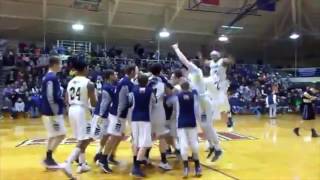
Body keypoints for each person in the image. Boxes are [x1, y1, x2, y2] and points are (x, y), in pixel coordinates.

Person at [172, 43, 222, 162]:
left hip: (204, 102)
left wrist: (176, 49)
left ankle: (218, 148)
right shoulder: (192, 75)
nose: (187, 65)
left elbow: (183, 60)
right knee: (204, 126)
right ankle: (212, 145)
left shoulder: (196, 70)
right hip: (199, 103)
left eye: (189, 64)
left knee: (207, 125)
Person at [61, 57, 97, 179]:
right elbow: (94, 103)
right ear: (86, 68)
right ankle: (68, 162)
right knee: (86, 139)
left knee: (81, 138)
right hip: (82, 111)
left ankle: (82, 164)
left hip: (72, 110)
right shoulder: (89, 83)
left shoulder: (70, 82)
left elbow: (66, 99)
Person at [166, 81, 201, 178]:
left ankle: (186, 167)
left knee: (183, 145)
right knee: (194, 144)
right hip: (192, 122)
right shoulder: (194, 96)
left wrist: (172, 91)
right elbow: (197, 110)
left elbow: (167, 103)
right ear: (189, 87)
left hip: (181, 124)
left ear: (181, 87)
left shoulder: (176, 97)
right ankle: (197, 166)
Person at [105, 65, 136, 166]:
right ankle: (103, 158)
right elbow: (123, 101)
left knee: (119, 136)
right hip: (117, 114)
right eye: (136, 70)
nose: (137, 72)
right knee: (114, 136)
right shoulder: (125, 83)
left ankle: (111, 156)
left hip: (121, 114)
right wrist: (118, 115)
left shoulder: (126, 82)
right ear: (132, 71)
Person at [40, 56, 66, 169]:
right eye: (60, 64)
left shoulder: (47, 76)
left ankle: (48, 158)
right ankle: (49, 158)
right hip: (52, 112)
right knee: (61, 134)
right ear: (55, 64)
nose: (61, 66)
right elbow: (51, 97)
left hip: (48, 111)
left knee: (52, 135)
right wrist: (56, 111)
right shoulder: (51, 78)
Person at [129, 74, 156, 177]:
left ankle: (135, 163)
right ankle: (136, 167)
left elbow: (130, 102)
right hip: (145, 118)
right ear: (147, 82)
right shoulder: (150, 91)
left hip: (134, 118)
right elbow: (155, 102)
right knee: (144, 144)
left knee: (135, 142)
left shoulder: (133, 89)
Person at [147, 63, 173, 170]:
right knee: (161, 136)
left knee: (149, 135)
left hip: (148, 111)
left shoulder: (147, 80)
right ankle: (163, 161)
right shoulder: (163, 81)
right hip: (159, 110)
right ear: (160, 71)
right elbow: (170, 93)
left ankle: (144, 156)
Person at [91, 69, 118, 173]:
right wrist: (101, 117)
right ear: (110, 76)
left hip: (106, 116)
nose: (116, 75)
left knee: (106, 135)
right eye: (114, 74)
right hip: (101, 116)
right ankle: (79, 154)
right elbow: (104, 103)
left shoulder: (109, 86)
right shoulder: (107, 87)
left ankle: (99, 153)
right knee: (92, 137)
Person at [206, 50, 235, 129]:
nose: (213, 56)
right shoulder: (211, 62)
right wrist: (200, 57)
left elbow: (232, 62)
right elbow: (204, 62)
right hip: (213, 83)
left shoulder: (222, 61)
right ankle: (208, 118)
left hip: (222, 83)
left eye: (214, 55)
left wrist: (229, 56)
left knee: (223, 100)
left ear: (218, 55)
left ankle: (229, 117)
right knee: (208, 99)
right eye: (212, 55)